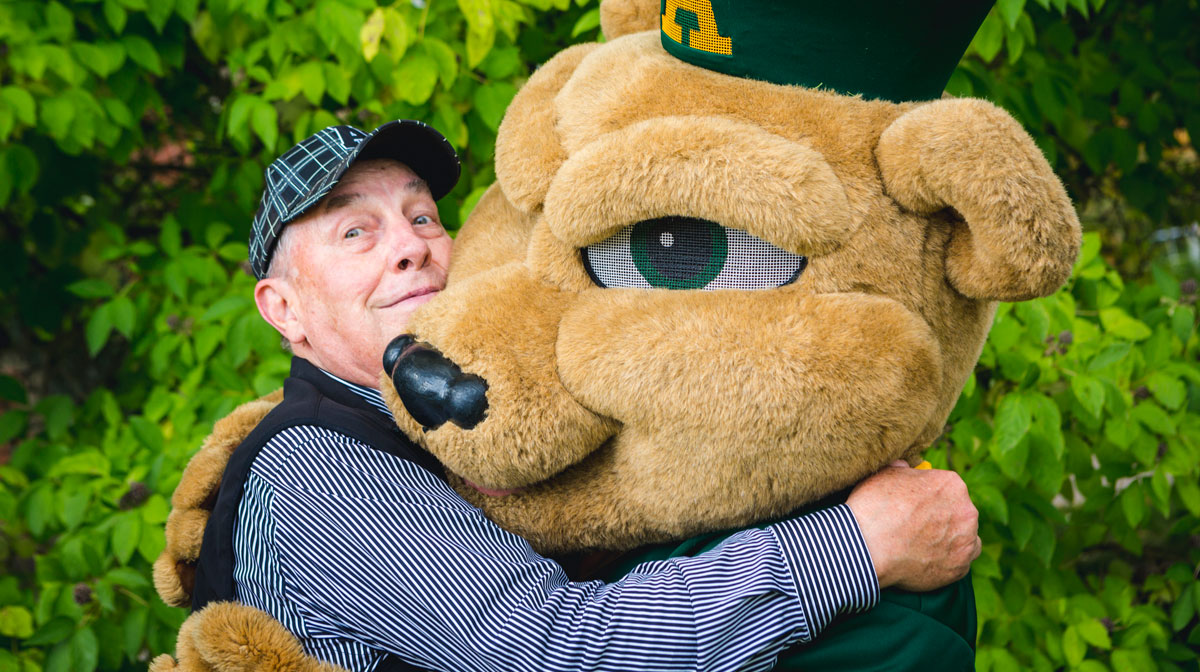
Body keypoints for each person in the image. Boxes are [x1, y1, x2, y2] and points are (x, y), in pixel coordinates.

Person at [192, 121, 981, 672]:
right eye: (354, 232)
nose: (410, 247)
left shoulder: (458, 420)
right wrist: (857, 546)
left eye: (422, 214)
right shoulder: (320, 469)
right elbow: (559, 652)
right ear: (283, 309)